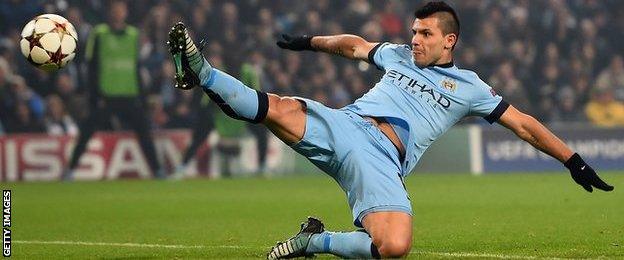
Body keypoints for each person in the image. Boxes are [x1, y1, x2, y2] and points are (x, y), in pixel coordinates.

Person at [167, 2, 614, 258]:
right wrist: (308, 42)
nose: (414, 39)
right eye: (414, 31)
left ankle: (312, 240)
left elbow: (525, 125)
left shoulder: (471, 87)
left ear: (448, 41)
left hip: (381, 159)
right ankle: (201, 71)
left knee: (394, 246)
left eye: (423, 33)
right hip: (345, 126)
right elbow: (353, 46)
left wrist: (571, 159)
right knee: (277, 108)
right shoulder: (397, 54)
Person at [62, 0, 164, 180]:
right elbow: (91, 66)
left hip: (129, 93)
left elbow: (137, 67)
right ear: (110, 12)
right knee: (87, 130)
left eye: (121, 9)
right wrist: (94, 95)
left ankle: (158, 171)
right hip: (106, 95)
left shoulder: (133, 35)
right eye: (115, 9)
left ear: (125, 12)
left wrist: (142, 95)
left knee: (144, 133)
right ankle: (70, 170)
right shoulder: (99, 33)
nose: (118, 12)